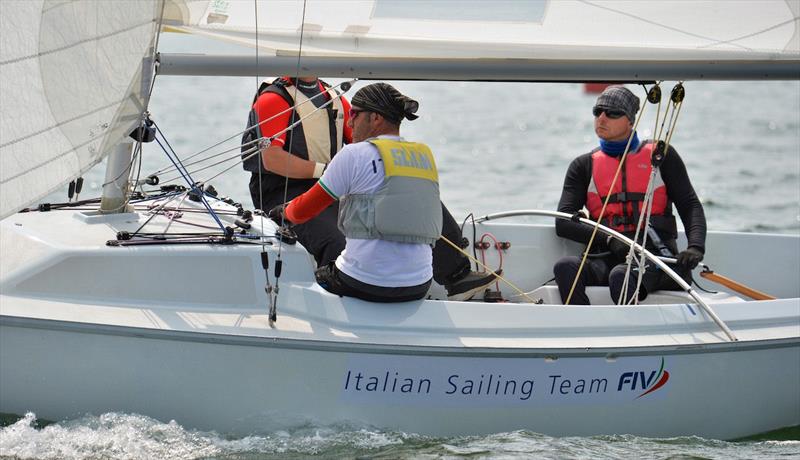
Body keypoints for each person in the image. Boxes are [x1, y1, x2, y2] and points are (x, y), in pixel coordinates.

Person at [268, 83, 498, 302]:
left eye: (354, 115)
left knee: (306, 281)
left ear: (375, 118)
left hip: (361, 283)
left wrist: (283, 211)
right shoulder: (422, 155)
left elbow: (303, 211)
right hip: (418, 286)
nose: (349, 123)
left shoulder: (353, 155)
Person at [553, 85, 706, 305]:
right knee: (565, 267)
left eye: (612, 113)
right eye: (597, 112)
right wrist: (609, 239)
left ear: (631, 121)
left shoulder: (661, 157)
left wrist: (695, 247)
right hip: (606, 255)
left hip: (656, 259)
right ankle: (584, 329)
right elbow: (563, 222)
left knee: (621, 276)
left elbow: (690, 205)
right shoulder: (583, 166)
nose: (602, 118)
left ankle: (630, 336)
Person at [242, 75, 351, 267]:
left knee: (376, 236)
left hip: (328, 189)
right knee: (336, 242)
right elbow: (272, 159)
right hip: (283, 194)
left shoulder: (336, 98)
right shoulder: (273, 98)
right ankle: (336, 291)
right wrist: (327, 171)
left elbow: (364, 145)